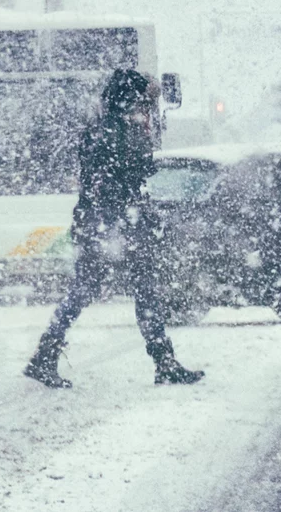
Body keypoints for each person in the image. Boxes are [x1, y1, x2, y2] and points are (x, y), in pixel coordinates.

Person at [24, 69, 204, 388]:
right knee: (107, 291)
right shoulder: (112, 131)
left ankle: (47, 355)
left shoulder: (112, 128)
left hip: (111, 224)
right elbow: (111, 181)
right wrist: (123, 215)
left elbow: (117, 177)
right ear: (128, 100)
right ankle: (162, 362)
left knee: (119, 290)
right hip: (111, 225)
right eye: (143, 102)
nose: (147, 109)